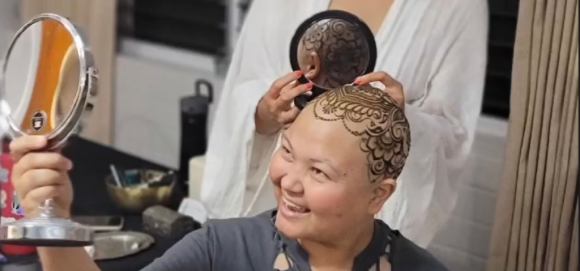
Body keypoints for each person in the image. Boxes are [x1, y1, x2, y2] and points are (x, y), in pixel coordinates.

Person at [11, 85, 449, 271]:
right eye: (288, 154)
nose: (289, 182)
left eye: (318, 171)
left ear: (378, 195)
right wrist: (52, 223)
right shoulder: (220, 249)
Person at [200, 0, 489, 247]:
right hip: (267, 217)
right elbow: (245, 84)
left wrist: (399, 118)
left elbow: (452, 134)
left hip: (359, 234)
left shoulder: (455, 6)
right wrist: (265, 112)